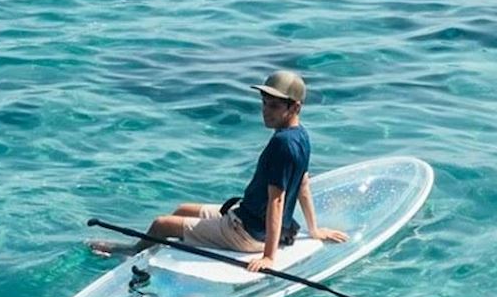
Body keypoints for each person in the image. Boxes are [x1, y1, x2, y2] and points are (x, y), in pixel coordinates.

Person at [93, 70, 348, 274]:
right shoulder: (301, 136)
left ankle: (132, 251)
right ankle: (163, 248)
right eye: (264, 102)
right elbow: (303, 183)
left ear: (295, 107)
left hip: (247, 233)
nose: (265, 110)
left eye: (274, 106)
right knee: (182, 209)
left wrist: (269, 256)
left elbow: (277, 201)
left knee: (161, 224)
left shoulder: (282, 144)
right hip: (252, 219)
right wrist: (314, 230)